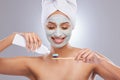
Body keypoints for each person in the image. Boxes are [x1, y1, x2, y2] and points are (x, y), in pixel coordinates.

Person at [0, 0, 120, 80]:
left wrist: (101, 62)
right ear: (44, 26)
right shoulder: (33, 64)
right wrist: (13, 38)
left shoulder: (89, 59)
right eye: (51, 26)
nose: (58, 33)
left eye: (64, 27)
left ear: (73, 26)